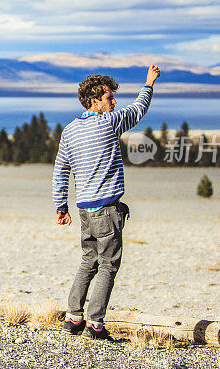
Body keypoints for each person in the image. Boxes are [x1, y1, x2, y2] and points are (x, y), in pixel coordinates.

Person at [52, 65, 161, 340]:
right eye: (110, 98)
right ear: (94, 101)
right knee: (108, 265)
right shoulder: (109, 122)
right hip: (107, 211)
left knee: (88, 261)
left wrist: (61, 207)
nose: (114, 102)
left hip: (84, 211)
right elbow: (138, 109)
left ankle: (72, 318)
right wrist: (148, 84)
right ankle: (95, 325)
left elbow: (60, 170)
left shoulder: (70, 130)